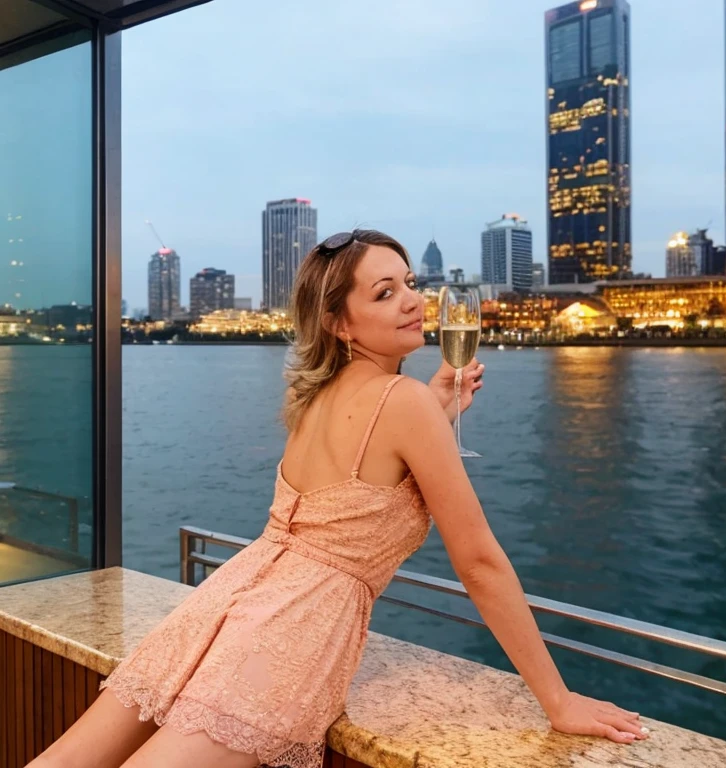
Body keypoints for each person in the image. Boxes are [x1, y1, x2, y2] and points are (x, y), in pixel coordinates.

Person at [27, 229, 648, 768]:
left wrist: (438, 408)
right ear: (337, 321)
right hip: (292, 634)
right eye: (384, 293)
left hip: (223, 606)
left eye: (409, 281)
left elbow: (361, 479)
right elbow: (479, 562)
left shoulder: (316, 398)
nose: (412, 300)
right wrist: (559, 701)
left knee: (65, 759)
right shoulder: (403, 405)